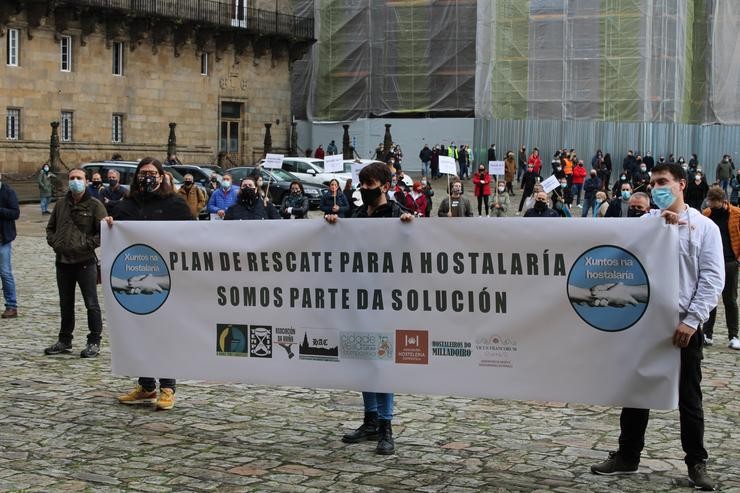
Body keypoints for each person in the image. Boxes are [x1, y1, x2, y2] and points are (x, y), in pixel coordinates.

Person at [591, 162, 723, 492]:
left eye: (663, 182)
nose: (657, 188)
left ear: (681, 185)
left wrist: (692, 322)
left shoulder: (705, 228)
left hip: (683, 327)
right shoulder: (646, 223)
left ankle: (696, 462)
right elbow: (620, 259)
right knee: (636, 392)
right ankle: (627, 455)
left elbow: (711, 279)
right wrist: (654, 230)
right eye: (653, 184)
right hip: (645, 324)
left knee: (690, 398)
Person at [324, 162, 413, 456]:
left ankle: (386, 426)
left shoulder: (398, 213)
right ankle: (370, 419)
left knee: (382, 362)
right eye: (362, 184)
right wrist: (334, 226)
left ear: (385, 186)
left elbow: (414, 246)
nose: (364, 189)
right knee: (364, 357)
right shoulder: (359, 213)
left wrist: (411, 226)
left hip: (387, 300)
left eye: (370, 185)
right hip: (359, 299)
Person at [107, 158, 192, 410]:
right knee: (138, 330)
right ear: (136, 177)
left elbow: (191, 237)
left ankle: (167, 386)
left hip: (165, 279)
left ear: (161, 176)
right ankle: (146, 386)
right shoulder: (126, 205)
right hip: (135, 280)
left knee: (164, 332)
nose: (148, 177)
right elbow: (116, 234)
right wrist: (110, 226)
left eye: (153, 173)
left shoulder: (175, 204)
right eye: (143, 173)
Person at [44, 168, 107, 359]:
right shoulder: (61, 204)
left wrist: (86, 245)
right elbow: (50, 227)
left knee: (91, 303)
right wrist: (55, 243)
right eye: (72, 178)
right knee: (66, 303)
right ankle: (65, 340)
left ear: (86, 181)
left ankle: (94, 341)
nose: (75, 181)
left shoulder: (95, 205)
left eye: (79, 178)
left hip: (84, 262)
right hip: (62, 261)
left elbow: (103, 232)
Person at [701, 187, 740, 350]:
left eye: (714, 202)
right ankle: (707, 334)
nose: (711, 205)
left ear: (723, 200)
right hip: (712, 262)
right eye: (709, 201)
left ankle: (734, 335)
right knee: (710, 298)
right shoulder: (707, 214)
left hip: (731, 261)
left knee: (730, 299)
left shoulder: (736, 214)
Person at [0, 174, 20, 319]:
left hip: (3, 239)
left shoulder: (8, 192)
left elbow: (15, 213)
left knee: (5, 273)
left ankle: (11, 306)